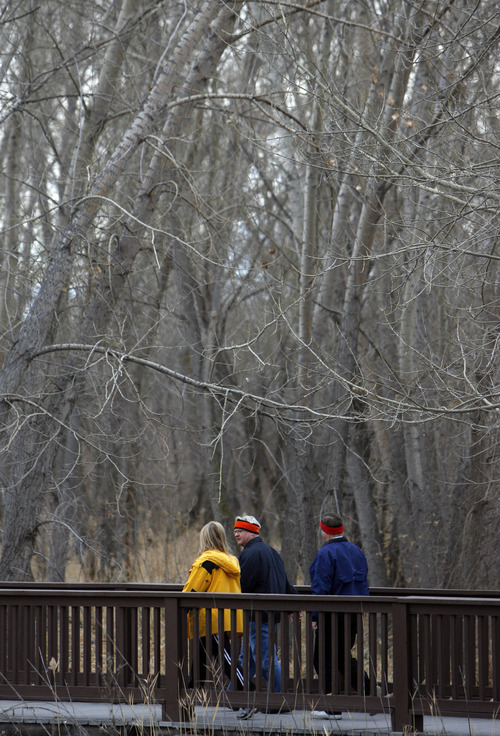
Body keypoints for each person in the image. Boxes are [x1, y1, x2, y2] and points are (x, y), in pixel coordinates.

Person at [234, 514, 297, 718]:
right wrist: (290, 606)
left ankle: (279, 700)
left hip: (257, 615)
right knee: (247, 659)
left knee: (266, 659)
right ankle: (232, 696)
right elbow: (285, 582)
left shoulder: (250, 554)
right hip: (271, 614)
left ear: (252, 532)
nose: (236, 533)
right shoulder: (272, 552)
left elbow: (243, 586)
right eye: (235, 530)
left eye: (240, 530)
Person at [309, 513, 370, 718]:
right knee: (342, 656)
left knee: (321, 659)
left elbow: (320, 587)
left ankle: (330, 706)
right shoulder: (356, 552)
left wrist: (315, 616)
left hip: (331, 615)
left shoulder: (325, 554)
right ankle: (370, 690)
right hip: (353, 614)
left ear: (323, 531)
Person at [183, 521, 245, 690]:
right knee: (200, 663)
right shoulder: (231, 561)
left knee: (227, 661)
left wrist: (180, 607)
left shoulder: (207, 562)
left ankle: (249, 693)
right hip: (226, 616)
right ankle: (187, 698)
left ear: (205, 539)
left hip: (211, 619)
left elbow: (192, 590)